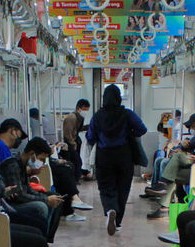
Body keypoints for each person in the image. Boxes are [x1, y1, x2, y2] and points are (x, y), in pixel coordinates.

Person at [88, 84, 147, 235]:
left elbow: (90, 137)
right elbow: (142, 129)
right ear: (119, 98)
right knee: (123, 188)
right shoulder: (127, 114)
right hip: (124, 155)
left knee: (106, 187)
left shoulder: (97, 116)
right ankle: (118, 222)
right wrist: (129, 132)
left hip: (104, 155)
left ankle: (110, 210)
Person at [0, 136, 65, 242]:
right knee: (41, 206)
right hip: (11, 204)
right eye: (41, 159)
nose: (42, 163)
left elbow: (28, 189)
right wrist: (46, 200)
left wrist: (47, 197)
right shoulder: (13, 165)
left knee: (55, 197)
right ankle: (41, 240)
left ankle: (47, 239)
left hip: (20, 199)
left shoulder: (22, 164)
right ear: (32, 153)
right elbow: (18, 195)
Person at [62, 98, 90, 181]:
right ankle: (74, 179)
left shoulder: (79, 117)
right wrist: (72, 143)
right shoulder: (72, 118)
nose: (86, 112)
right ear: (79, 108)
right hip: (69, 143)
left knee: (76, 161)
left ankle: (76, 178)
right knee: (77, 161)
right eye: (84, 109)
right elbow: (67, 133)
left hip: (74, 142)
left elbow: (77, 129)